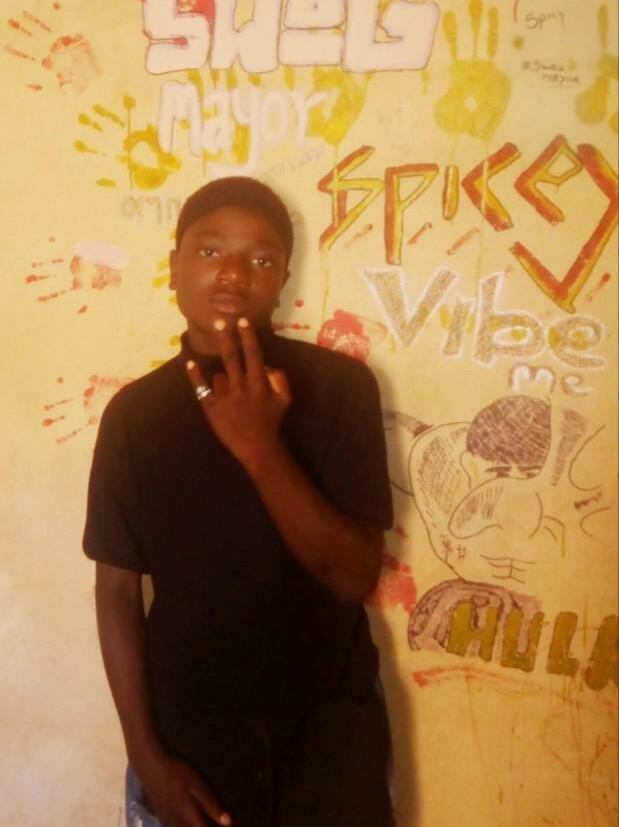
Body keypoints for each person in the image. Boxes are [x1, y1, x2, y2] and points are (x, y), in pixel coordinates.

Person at [83, 176, 395, 827]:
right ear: (173, 267)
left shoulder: (340, 390)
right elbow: (116, 591)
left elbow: (354, 575)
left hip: (327, 735)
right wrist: (147, 757)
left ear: (282, 279)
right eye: (209, 250)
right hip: (189, 741)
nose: (232, 273)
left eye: (260, 258)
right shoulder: (134, 416)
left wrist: (259, 448)